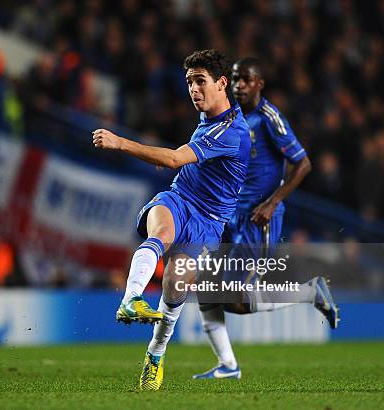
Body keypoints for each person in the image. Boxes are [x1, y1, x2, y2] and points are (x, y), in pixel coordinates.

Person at [93, 49, 251, 390]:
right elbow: (187, 160)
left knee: (176, 281)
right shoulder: (212, 117)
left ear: (222, 83)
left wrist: (120, 142)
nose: (193, 89)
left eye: (200, 81)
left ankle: (155, 353)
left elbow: (176, 158)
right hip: (179, 199)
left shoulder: (232, 131)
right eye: (189, 82)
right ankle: (131, 299)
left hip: (208, 223)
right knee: (161, 231)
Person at [192, 57, 339, 381]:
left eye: (246, 79)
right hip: (228, 216)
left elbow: (303, 164)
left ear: (260, 84)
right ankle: (228, 365)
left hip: (259, 219)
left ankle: (310, 293)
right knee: (205, 286)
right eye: (235, 78)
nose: (240, 85)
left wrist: (273, 202)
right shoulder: (226, 117)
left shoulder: (269, 118)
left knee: (238, 301)